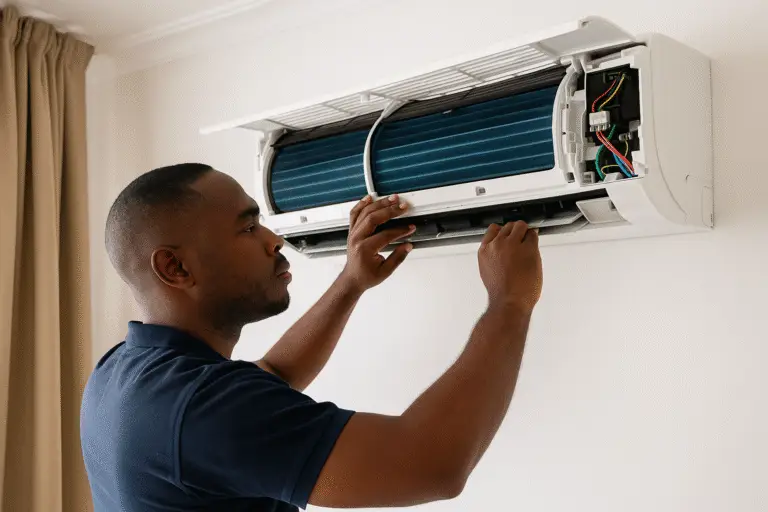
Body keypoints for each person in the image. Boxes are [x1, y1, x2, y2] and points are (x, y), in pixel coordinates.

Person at [81, 163, 542, 511]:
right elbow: (431, 464)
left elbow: (271, 374)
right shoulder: (202, 408)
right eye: (247, 228)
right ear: (175, 267)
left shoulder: (120, 372)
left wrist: (351, 283)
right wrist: (510, 303)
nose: (274, 240)